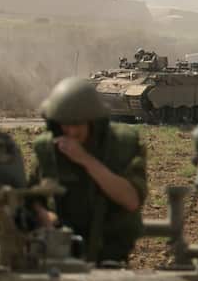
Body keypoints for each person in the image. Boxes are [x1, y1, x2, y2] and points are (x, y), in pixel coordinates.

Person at [30, 76, 147, 264]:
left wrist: (85, 160)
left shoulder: (121, 145)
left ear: (94, 122)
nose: (70, 132)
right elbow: (31, 196)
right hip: (56, 254)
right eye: (64, 124)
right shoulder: (47, 149)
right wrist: (44, 215)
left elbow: (131, 200)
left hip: (110, 254)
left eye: (77, 124)